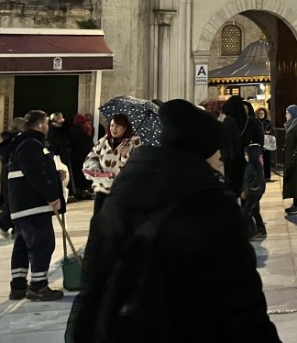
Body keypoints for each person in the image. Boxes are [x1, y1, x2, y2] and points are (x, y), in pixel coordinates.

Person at [66, 99, 280, 343]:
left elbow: (95, 276)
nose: (222, 156)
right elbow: (242, 306)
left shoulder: (121, 194)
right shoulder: (211, 208)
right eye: (216, 148)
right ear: (200, 150)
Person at [7, 110, 66, 301]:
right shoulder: (31, 144)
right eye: (46, 124)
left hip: (23, 205)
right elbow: (35, 174)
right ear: (40, 125)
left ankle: (18, 286)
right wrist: (51, 194)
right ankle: (38, 286)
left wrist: (55, 176)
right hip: (33, 204)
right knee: (42, 244)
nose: (48, 128)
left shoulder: (23, 142)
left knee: (23, 245)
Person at [83, 113, 142, 214]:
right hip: (102, 189)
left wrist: (125, 156)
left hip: (123, 191)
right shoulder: (104, 141)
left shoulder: (135, 142)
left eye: (118, 126)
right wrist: (94, 169)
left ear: (125, 127)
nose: (113, 129)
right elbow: (91, 158)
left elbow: (137, 167)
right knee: (100, 223)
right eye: (111, 125)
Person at [220, 95, 262, 193]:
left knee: (232, 191)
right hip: (247, 160)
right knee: (247, 191)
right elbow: (257, 141)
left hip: (231, 162)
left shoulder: (228, 121)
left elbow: (223, 142)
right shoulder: (250, 121)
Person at [0, 116, 26, 234]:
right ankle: (2, 221)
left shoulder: (10, 141)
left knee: (13, 202)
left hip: (9, 175)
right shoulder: (12, 142)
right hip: (11, 175)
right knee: (12, 202)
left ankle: (14, 226)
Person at [282, 105, 297, 215]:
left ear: (293, 114)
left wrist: (295, 154)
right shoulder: (291, 125)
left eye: (288, 113)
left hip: (296, 158)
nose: (286, 115)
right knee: (292, 180)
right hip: (291, 156)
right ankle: (295, 203)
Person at [68, 113, 96, 200]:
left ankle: (80, 190)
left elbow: (73, 142)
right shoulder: (89, 127)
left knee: (79, 172)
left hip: (78, 155)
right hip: (88, 152)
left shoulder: (75, 130)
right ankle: (87, 188)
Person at [242, 144, 266, 239]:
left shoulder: (255, 167)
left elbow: (256, 183)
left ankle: (253, 230)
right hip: (252, 193)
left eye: (247, 154)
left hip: (253, 194)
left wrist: (248, 190)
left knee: (245, 212)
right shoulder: (251, 165)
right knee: (255, 212)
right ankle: (260, 229)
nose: (246, 156)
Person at [256, 108, 274, 181]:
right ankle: (259, 175)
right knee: (259, 160)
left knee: (267, 159)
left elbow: (272, 131)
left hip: (266, 143)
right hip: (259, 143)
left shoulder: (268, 122)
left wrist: (268, 131)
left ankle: (267, 176)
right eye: (260, 114)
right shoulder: (256, 122)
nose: (261, 115)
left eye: (262, 113)